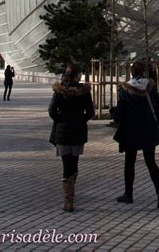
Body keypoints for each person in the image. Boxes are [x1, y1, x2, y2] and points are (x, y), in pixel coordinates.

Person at [113, 61, 159, 209]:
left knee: (130, 162)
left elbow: (121, 111)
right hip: (148, 129)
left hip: (131, 130)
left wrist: (116, 118)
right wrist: (156, 123)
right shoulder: (151, 87)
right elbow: (158, 108)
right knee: (151, 162)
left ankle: (128, 194)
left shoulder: (125, 89)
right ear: (143, 71)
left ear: (131, 72)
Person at [48, 63, 95, 212]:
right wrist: (81, 119)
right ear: (76, 75)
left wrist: (60, 119)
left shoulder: (59, 90)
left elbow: (51, 110)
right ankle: (70, 195)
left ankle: (69, 199)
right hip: (78, 131)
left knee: (66, 164)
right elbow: (90, 111)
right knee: (74, 163)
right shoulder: (83, 91)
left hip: (62, 132)